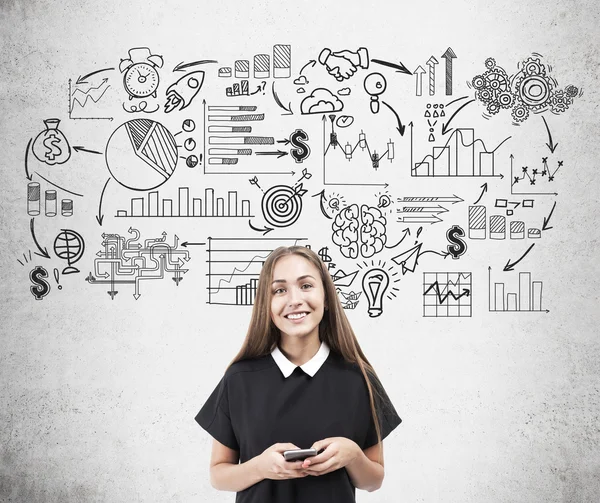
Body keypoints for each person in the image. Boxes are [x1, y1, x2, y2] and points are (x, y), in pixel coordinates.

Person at [195, 245, 401, 502]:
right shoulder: (239, 379)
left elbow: (374, 481)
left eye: (306, 286)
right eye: (280, 290)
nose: (294, 299)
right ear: (266, 306)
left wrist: (353, 455)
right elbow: (218, 475)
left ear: (326, 299)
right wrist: (261, 467)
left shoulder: (360, 379)